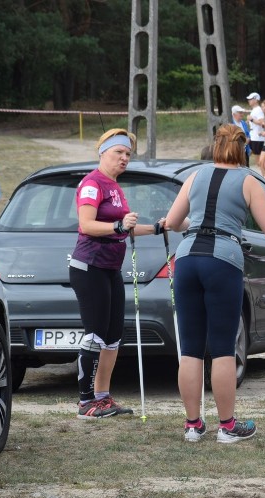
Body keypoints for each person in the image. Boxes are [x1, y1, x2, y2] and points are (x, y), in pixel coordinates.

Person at [165, 124, 265, 443]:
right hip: (222, 260)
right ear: (243, 149)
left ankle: (192, 425)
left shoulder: (195, 176)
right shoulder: (248, 180)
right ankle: (227, 425)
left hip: (188, 257)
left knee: (191, 348)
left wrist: (194, 224)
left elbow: (171, 222)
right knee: (222, 346)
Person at [70, 128, 165, 419]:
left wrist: (159, 228)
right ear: (103, 153)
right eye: (118, 153)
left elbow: (126, 226)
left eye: (128, 154)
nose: (124, 158)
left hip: (111, 268)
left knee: (112, 337)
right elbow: (87, 224)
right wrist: (117, 227)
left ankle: (103, 397)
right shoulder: (92, 183)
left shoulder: (115, 186)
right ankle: (86, 402)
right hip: (90, 268)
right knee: (95, 335)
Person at [245, 92, 265, 171]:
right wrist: (249, 121)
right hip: (253, 136)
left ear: (255, 100)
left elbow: (262, 122)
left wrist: (251, 119)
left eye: (250, 99)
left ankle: (262, 177)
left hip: (257, 137)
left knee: (258, 161)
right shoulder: (255, 110)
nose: (249, 101)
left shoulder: (258, 110)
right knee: (250, 154)